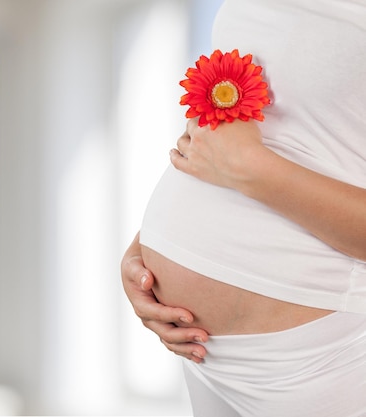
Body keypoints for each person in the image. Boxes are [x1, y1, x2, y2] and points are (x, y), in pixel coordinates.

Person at [121, 0, 366, 416]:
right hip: (205, 356)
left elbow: (243, 159)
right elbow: (231, 143)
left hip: (320, 355)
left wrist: (254, 170)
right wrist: (145, 253)